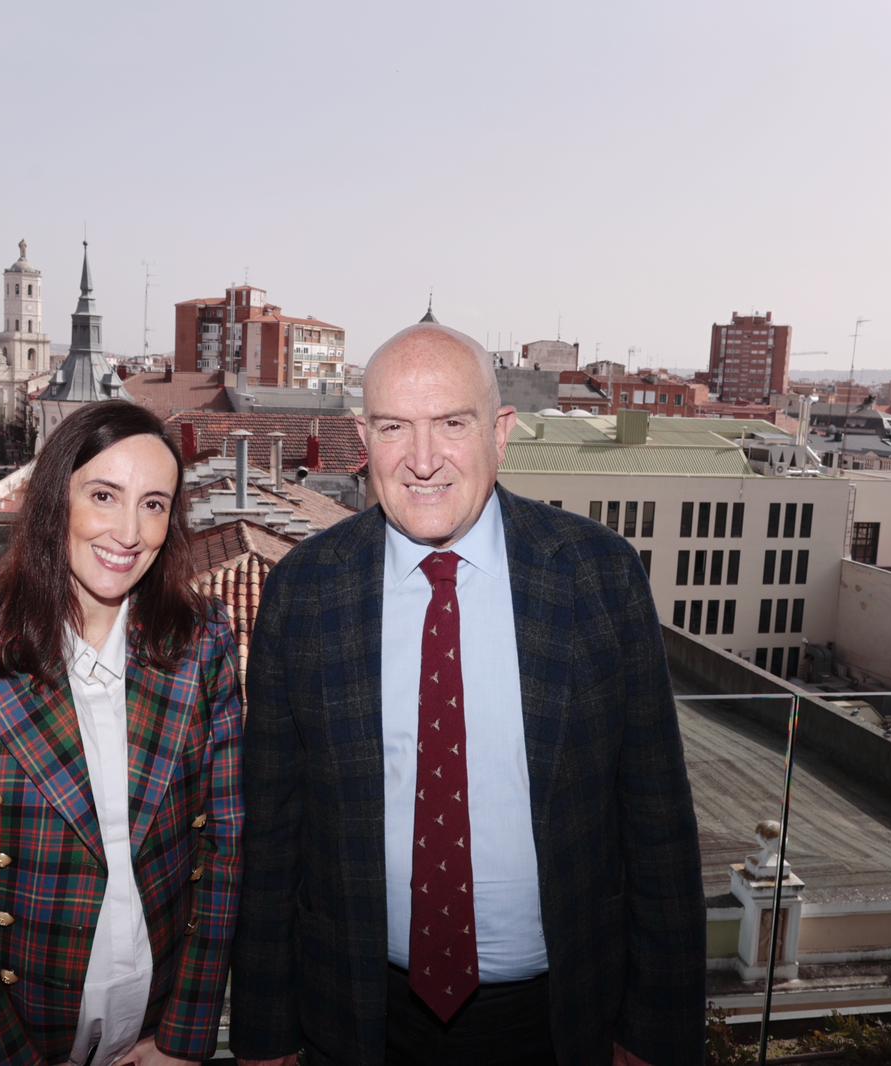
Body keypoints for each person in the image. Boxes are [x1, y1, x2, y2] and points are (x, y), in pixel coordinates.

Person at [231, 324, 705, 1066]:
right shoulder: (305, 590)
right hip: (356, 1017)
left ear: (500, 432)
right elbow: (272, 834)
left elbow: (657, 820)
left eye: (452, 423)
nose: (423, 460)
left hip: (562, 1021)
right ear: (365, 437)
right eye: (394, 427)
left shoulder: (598, 576)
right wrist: (264, 1036)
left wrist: (657, 1035)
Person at [0, 400, 243, 1066]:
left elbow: (224, 846)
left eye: (153, 505)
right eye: (104, 496)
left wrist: (185, 1035)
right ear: (57, 501)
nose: (128, 532)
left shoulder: (201, 644)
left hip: (152, 1028)